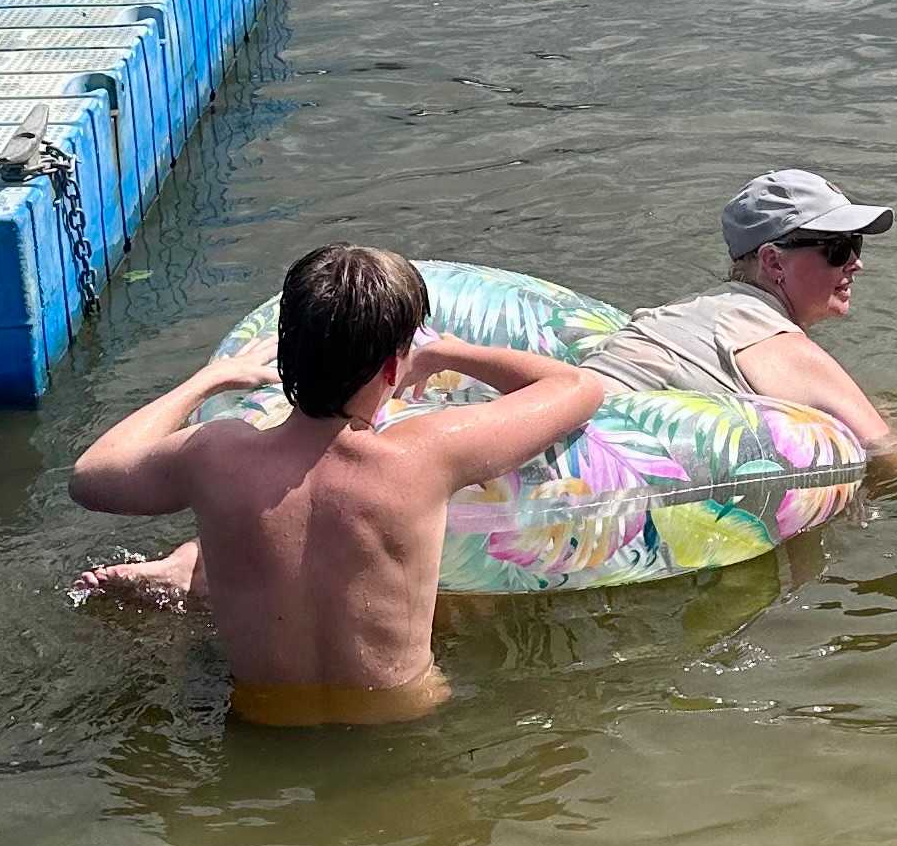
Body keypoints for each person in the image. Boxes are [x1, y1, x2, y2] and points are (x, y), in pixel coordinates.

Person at [68, 242, 604, 725]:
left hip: (261, 721)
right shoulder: (425, 455)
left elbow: (92, 477)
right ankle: (194, 568)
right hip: (403, 721)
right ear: (393, 368)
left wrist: (209, 378)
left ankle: (194, 569)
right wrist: (444, 353)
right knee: (463, 599)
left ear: (285, 352)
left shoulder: (215, 455)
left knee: (245, 540)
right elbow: (577, 386)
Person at [584, 170, 897, 449]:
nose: (856, 263)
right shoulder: (782, 347)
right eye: (837, 249)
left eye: (855, 243)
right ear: (774, 261)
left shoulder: (689, 309)